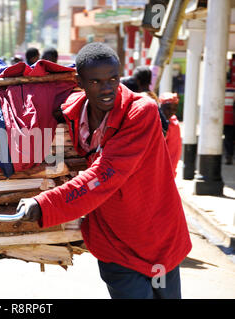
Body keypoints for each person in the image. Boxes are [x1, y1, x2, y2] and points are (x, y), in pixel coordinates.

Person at [17, 42, 191, 299]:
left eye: (113, 79)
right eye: (96, 82)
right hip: (115, 244)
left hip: (159, 237)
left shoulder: (141, 112)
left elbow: (105, 174)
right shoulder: (73, 112)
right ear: (80, 81)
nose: (107, 89)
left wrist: (45, 205)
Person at [159, 92, 182, 176]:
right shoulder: (155, 120)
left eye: (174, 109)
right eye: (168, 108)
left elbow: (174, 153)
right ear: (160, 106)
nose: (171, 112)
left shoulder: (174, 124)